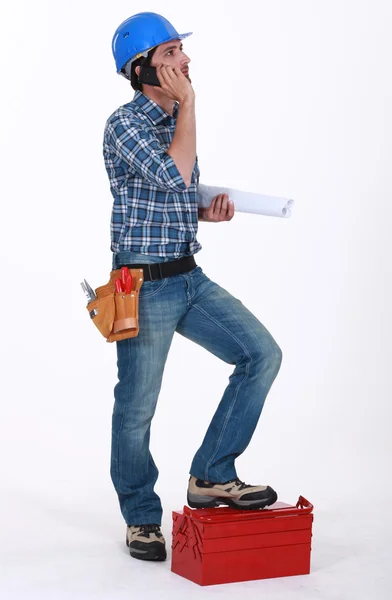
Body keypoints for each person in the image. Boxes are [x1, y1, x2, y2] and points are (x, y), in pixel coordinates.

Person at [104, 12, 283, 562]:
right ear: (141, 70)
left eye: (182, 50)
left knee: (261, 355)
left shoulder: (175, 117)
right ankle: (140, 518)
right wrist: (193, 107)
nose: (184, 61)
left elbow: (174, 188)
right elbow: (175, 172)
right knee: (137, 407)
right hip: (141, 285)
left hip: (188, 276)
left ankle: (211, 474)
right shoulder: (124, 124)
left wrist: (207, 209)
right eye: (171, 54)